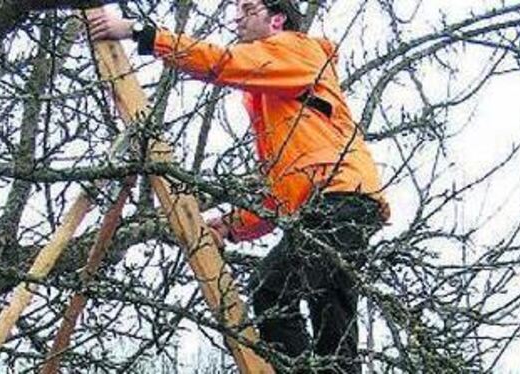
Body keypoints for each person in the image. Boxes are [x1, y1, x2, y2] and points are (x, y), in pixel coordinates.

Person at [88, 1, 390, 372]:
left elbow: (222, 62)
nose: (237, 18)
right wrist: (232, 225)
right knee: (333, 325)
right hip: (343, 201)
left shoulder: (296, 49)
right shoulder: (280, 103)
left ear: (276, 19)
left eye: (249, 8)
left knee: (271, 288)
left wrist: (142, 33)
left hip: (341, 198)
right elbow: (281, 194)